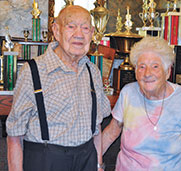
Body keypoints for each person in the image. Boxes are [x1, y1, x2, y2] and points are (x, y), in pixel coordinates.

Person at [6, 5, 110, 171]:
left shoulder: (93, 72)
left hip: (86, 160)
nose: (79, 34)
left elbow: (96, 128)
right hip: (46, 161)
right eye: (71, 26)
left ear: (91, 34)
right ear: (56, 30)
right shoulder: (33, 71)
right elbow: (14, 134)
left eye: (85, 28)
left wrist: (98, 164)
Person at [102, 37, 181, 171]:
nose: (147, 73)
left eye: (155, 66)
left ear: (167, 72)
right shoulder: (128, 93)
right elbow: (111, 133)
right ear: (136, 72)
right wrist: (94, 162)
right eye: (142, 67)